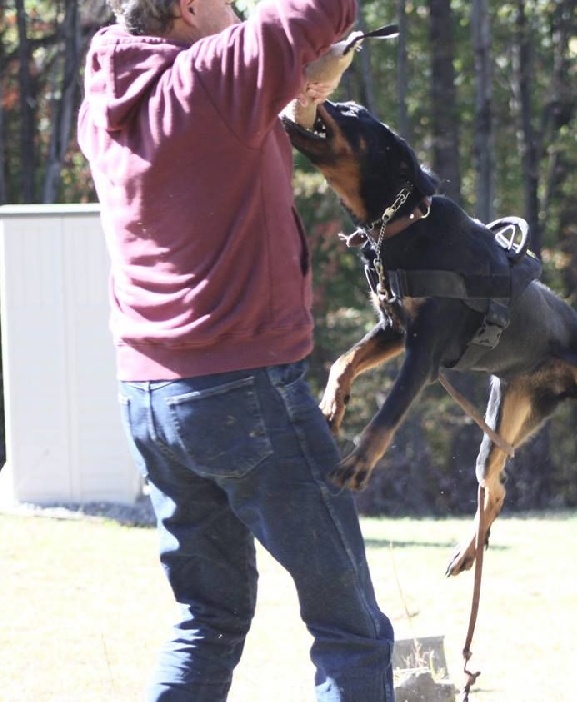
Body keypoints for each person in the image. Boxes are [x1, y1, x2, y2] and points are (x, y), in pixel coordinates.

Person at [77, 1, 395, 700]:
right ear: (188, 6)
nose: (242, 9)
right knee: (352, 630)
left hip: (149, 397)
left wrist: (287, 84)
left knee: (207, 619)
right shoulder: (209, 81)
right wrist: (277, 67)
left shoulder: (110, 83)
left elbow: (215, 120)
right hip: (242, 393)